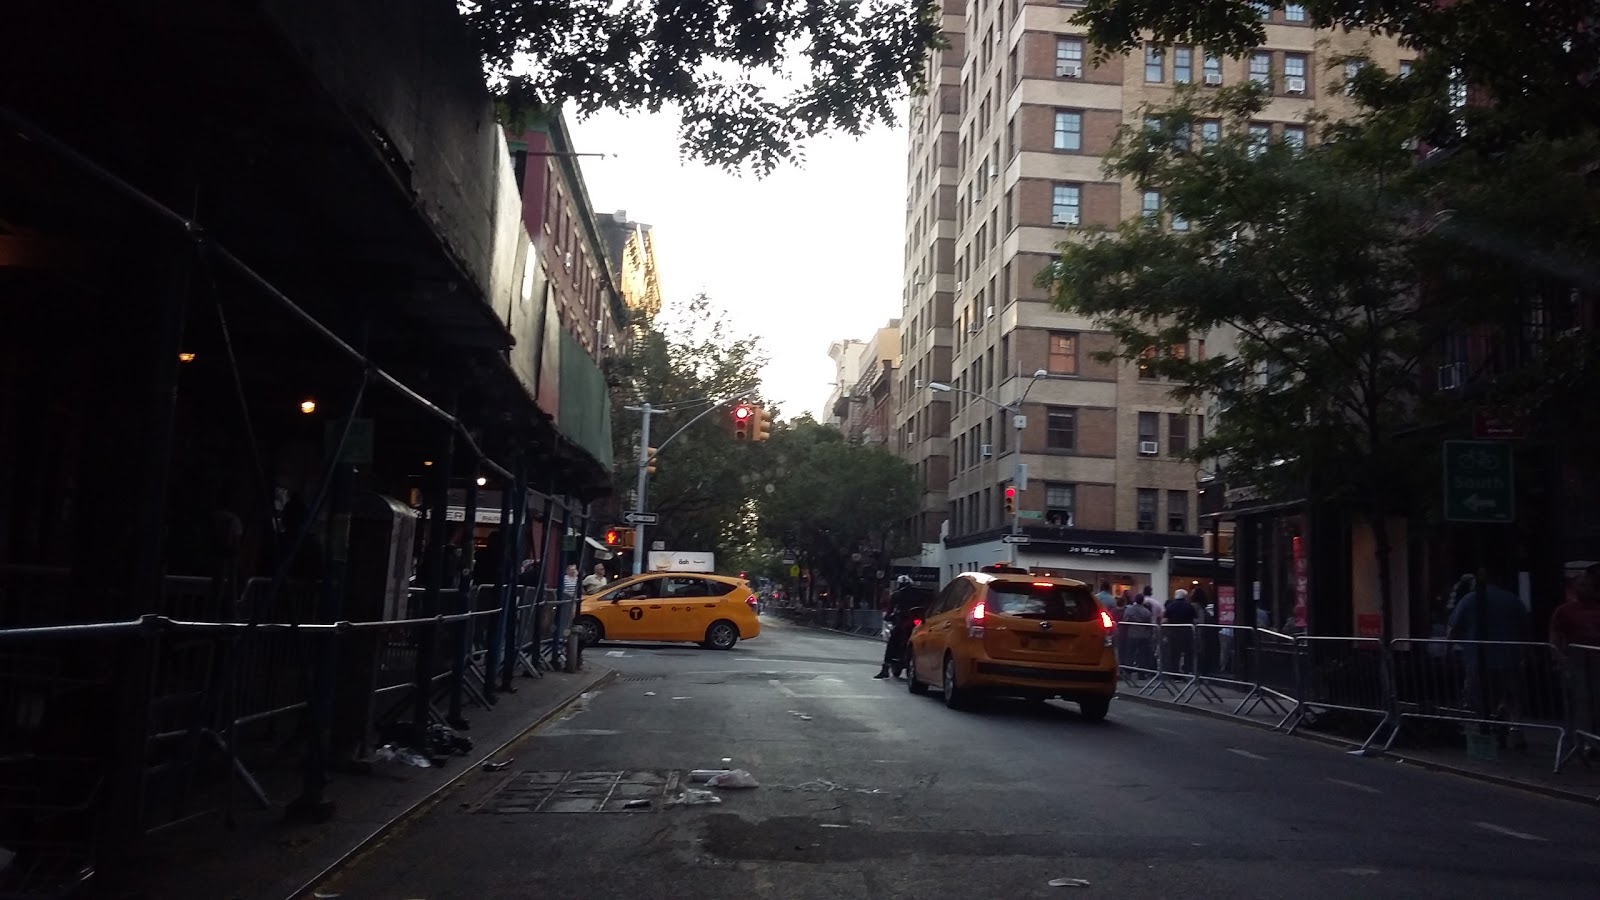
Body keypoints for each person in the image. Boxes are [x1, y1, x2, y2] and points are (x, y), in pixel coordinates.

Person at [1448, 568, 1531, 748]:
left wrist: (1456, 646)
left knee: (1479, 697)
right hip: (1509, 657)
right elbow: (1525, 627)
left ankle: (1486, 730)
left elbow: (1454, 628)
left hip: (1478, 658)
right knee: (1511, 695)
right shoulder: (1513, 600)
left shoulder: (1470, 599)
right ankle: (1514, 730)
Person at [876, 576, 923, 679]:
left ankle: (885, 668)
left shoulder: (897, 594)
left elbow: (890, 609)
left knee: (892, 641)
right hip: (918, 622)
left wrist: (889, 616)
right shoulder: (919, 594)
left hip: (904, 622)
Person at [1164, 589, 1199, 674]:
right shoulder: (1189, 606)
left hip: (1173, 632)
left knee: (1174, 653)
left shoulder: (1170, 606)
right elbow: (1195, 619)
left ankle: (1174, 671)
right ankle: (1187, 670)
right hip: (1186, 632)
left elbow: (1165, 619)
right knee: (1188, 652)